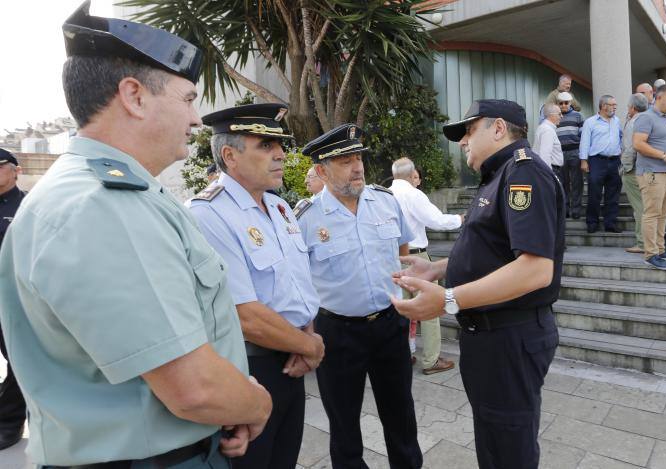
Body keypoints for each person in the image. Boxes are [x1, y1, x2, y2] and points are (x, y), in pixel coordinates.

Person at [0, 4, 272, 467]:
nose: (196, 120)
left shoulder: (110, 193)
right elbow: (193, 389)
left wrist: (227, 411)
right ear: (134, 96)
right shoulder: (104, 206)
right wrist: (257, 404)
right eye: (188, 99)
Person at [392, 99, 565, 469]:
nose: (463, 141)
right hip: (492, 338)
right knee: (495, 443)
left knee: (507, 450)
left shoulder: (524, 173)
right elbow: (493, 251)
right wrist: (438, 269)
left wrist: (449, 299)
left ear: (498, 128)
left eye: (470, 130)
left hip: (509, 336)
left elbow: (535, 270)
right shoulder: (499, 175)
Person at [189, 104, 325, 469]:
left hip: (291, 362)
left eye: (279, 144)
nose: (280, 153)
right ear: (229, 155)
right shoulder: (208, 214)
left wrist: (305, 334)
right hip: (249, 368)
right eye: (265, 145)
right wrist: (310, 346)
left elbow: (297, 285)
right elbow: (243, 314)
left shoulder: (279, 207)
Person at [296, 124, 422, 469]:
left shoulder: (385, 202)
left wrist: (405, 297)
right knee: (344, 423)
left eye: (358, 158)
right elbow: (299, 282)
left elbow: (402, 251)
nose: (357, 167)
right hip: (337, 333)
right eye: (345, 160)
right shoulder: (306, 218)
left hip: (389, 324)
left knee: (401, 416)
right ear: (321, 170)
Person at [389, 157, 460, 375]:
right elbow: (436, 220)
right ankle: (431, 360)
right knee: (430, 308)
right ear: (412, 176)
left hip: (391, 259)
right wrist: (460, 219)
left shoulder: (382, 194)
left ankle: (402, 355)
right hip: (417, 258)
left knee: (399, 310)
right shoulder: (413, 194)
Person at [632, 84, 666, 270]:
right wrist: (663, 156)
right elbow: (637, 143)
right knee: (652, 214)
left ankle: (660, 250)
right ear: (658, 97)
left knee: (664, 214)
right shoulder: (646, 117)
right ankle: (651, 254)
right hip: (652, 173)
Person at [0, 149, 26, 451]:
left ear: (14, 170)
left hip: (13, 300)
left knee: (18, 362)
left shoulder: (28, 205)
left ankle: (9, 422)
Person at [579, 94, 624, 233]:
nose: (615, 107)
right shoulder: (590, 122)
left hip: (615, 161)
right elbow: (585, 141)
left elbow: (621, 137)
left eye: (615, 105)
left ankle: (610, 223)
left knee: (613, 194)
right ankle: (592, 222)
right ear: (604, 106)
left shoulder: (617, 121)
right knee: (594, 193)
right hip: (596, 161)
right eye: (612, 105)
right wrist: (583, 160)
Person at [621, 93, 649, 254]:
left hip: (633, 169)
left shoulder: (634, 122)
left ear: (633, 107)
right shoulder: (649, 119)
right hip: (647, 168)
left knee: (640, 208)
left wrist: (625, 166)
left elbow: (630, 148)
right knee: (646, 207)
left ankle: (642, 243)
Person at [555, 91, 585, 219]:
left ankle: (576, 209)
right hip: (560, 152)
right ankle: (565, 209)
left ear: (570, 103)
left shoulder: (578, 116)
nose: (563, 105)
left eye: (566, 103)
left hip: (575, 152)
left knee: (577, 182)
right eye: (561, 103)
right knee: (563, 182)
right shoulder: (555, 116)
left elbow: (583, 136)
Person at [533, 104, 563, 172]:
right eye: (559, 114)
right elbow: (545, 154)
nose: (562, 116)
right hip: (551, 169)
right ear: (551, 115)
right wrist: (548, 175)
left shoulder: (545, 128)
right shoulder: (547, 130)